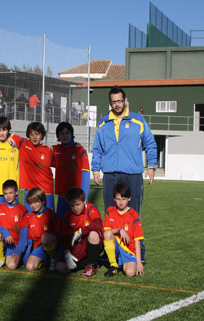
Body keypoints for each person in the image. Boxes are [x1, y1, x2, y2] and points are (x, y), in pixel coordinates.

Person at [91, 86, 156, 263]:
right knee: (111, 215)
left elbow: (150, 144)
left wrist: (152, 166)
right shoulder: (103, 123)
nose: (117, 104)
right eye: (114, 102)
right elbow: (97, 148)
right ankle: (110, 251)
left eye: (120, 101)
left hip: (132, 175)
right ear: (110, 103)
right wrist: (95, 169)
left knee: (133, 214)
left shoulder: (138, 120)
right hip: (110, 174)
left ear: (125, 101)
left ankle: (138, 254)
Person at [56, 187, 103, 277]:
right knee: (60, 267)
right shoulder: (68, 216)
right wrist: (66, 253)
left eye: (78, 204)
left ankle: (91, 266)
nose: (75, 208)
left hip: (93, 242)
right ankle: (92, 261)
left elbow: (98, 224)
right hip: (78, 245)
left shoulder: (90, 209)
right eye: (72, 205)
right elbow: (66, 237)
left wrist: (81, 231)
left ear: (84, 201)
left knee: (93, 234)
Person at [10, 122, 55, 212]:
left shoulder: (48, 150)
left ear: (42, 135)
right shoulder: (23, 144)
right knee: (29, 218)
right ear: (28, 135)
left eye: (37, 134)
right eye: (32, 134)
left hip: (46, 189)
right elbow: (4, 133)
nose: (34, 137)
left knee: (49, 218)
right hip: (29, 189)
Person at [103, 182, 144, 277]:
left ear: (129, 198)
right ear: (114, 199)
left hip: (128, 250)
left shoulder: (134, 215)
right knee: (108, 234)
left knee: (130, 273)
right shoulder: (110, 211)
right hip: (116, 247)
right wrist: (120, 230)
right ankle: (113, 265)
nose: (121, 202)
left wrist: (139, 262)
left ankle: (123, 262)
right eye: (118, 199)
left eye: (124, 199)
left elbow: (137, 240)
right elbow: (106, 232)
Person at [53, 122, 90, 218]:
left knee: (77, 224)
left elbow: (85, 174)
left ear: (71, 134)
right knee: (61, 223)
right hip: (62, 196)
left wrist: (84, 196)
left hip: (76, 196)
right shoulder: (55, 150)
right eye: (61, 133)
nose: (65, 136)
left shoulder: (79, 150)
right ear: (58, 135)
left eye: (67, 133)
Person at [0, 180, 28, 270]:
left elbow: (24, 233)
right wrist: (5, 233)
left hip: (16, 244)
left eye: (11, 193)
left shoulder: (23, 210)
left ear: (17, 192)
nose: (8, 196)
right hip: (5, 240)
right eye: (5, 193)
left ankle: (21, 255)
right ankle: (0, 259)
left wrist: (19, 250)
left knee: (11, 266)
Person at [23, 187, 58, 271]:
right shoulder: (30, 217)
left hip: (53, 245)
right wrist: (26, 258)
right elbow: (29, 240)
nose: (33, 205)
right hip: (39, 247)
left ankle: (53, 259)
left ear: (43, 201)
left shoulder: (51, 214)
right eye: (31, 203)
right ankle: (44, 261)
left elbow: (60, 235)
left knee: (45, 237)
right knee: (29, 266)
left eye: (36, 202)